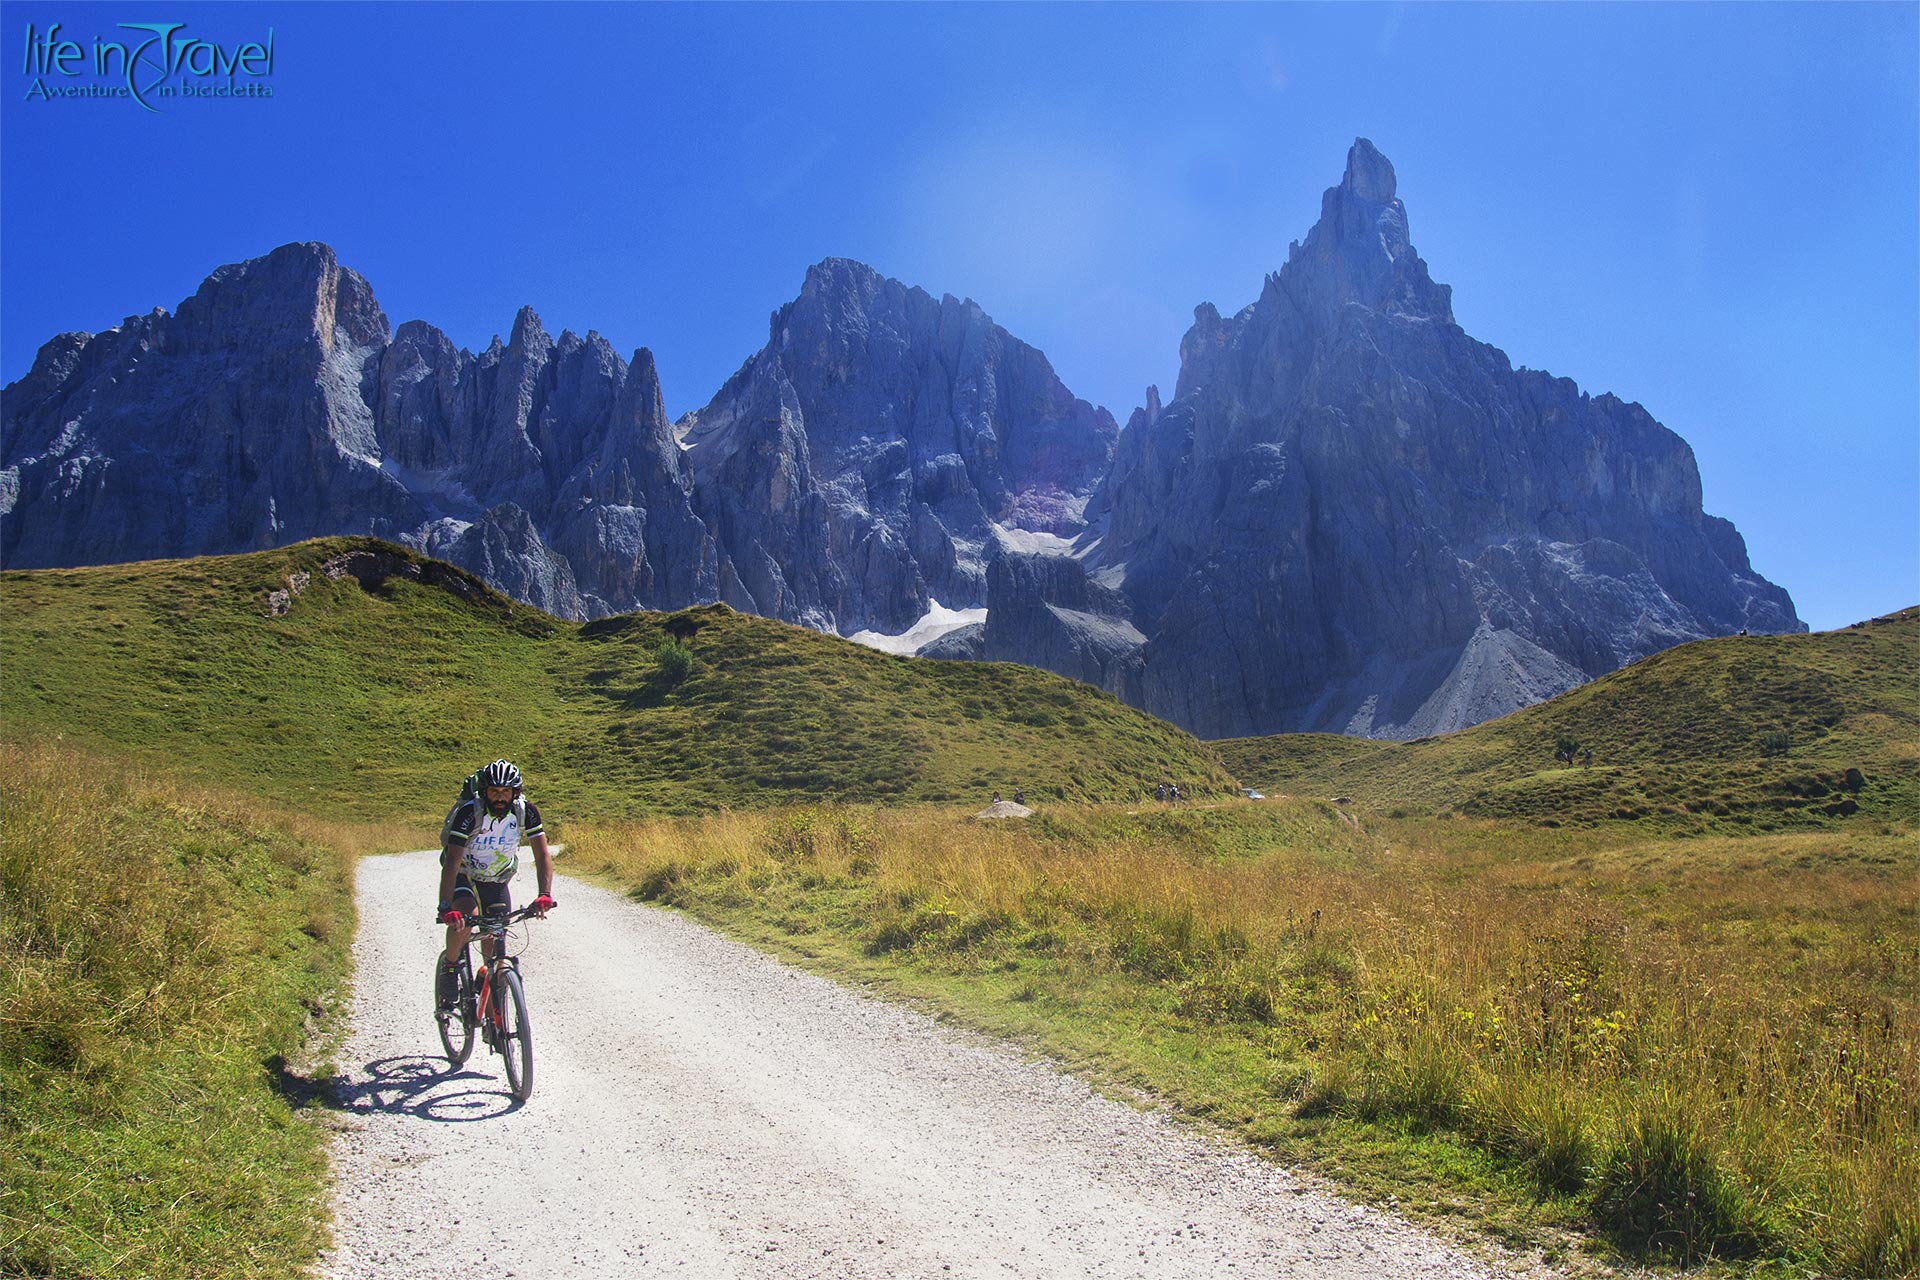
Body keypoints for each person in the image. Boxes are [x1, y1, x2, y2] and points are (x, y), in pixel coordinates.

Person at [435, 759, 556, 1011]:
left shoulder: (526, 812)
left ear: (515, 792)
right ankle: (450, 965)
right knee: (467, 915)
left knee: (496, 936)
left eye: (505, 792)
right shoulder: (470, 813)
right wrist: (446, 906)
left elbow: (542, 855)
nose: (500, 797)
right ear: (485, 792)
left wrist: (544, 894)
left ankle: (492, 1015)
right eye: (494, 791)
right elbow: (453, 861)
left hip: (497, 877)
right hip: (464, 873)